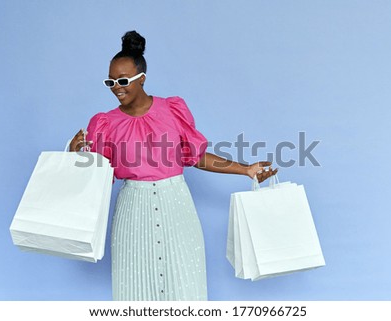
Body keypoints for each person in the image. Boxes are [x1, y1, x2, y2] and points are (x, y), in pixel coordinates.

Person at [69, 30, 277, 301]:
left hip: (176, 205)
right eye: (110, 81)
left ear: (141, 78)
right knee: (135, 287)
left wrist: (246, 169)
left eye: (123, 80)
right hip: (133, 209)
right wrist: (76, 155)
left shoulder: (171, 110)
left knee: (185, 282)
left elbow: (195, 156)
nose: (116, 87)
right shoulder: (105, 123)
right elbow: (95, 173)